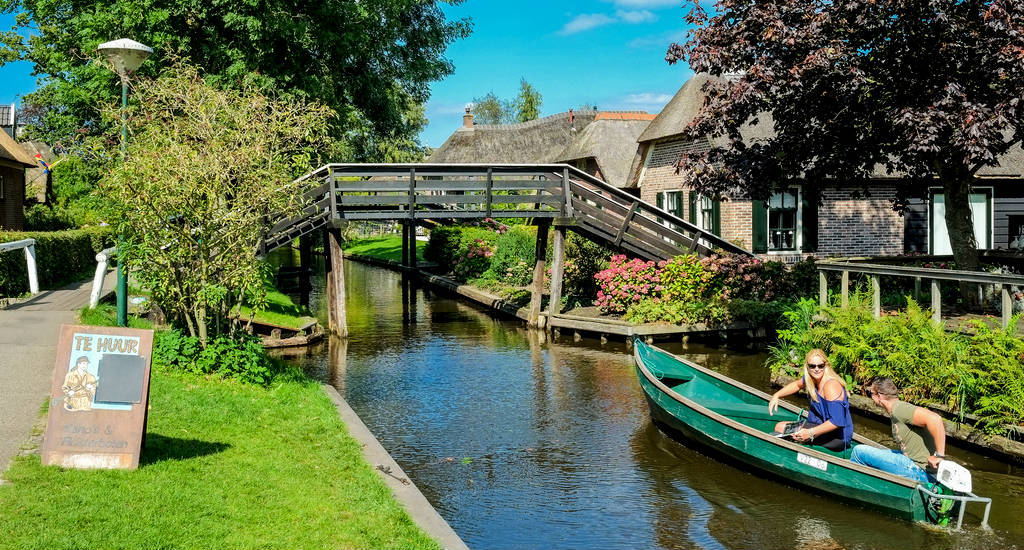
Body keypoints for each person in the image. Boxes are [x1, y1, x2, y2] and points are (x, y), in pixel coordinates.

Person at [849, 377, 946, 483]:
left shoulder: (899, 409)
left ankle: (855, 484)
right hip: (917, 466)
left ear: (879, 396)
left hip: (920, 470)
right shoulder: (896, 410)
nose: (871, 397)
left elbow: (935, 419)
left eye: (871, 393)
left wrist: (939, 456)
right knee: (880, 452)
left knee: (858, 452)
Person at [768, 349, 853, 451]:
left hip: (837, 437)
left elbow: (837, 421)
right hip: (819, 426)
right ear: (807, 367)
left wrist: (810, 433)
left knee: (781, 428)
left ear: (826, 365)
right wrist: (776, 395)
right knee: (780, 427)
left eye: (820, 366)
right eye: (812, 366)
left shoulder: (831, 385)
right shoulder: (812, 378)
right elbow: (796, 385)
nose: (817, 369)